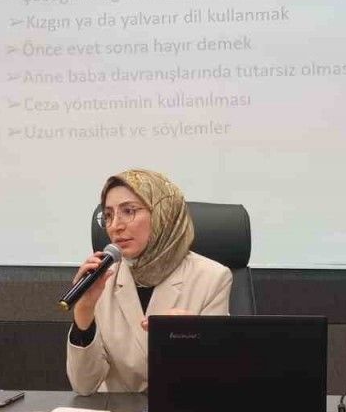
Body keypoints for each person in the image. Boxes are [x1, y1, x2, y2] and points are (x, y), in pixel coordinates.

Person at [66, 168, 233, 394]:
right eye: (108, 215)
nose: (115, 226)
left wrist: (193, 338)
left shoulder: (212, 278)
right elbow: (84, 387)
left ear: (163, 213)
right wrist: (84, 311)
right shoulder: (102, 279)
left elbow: (216, 379)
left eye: (128, 211)